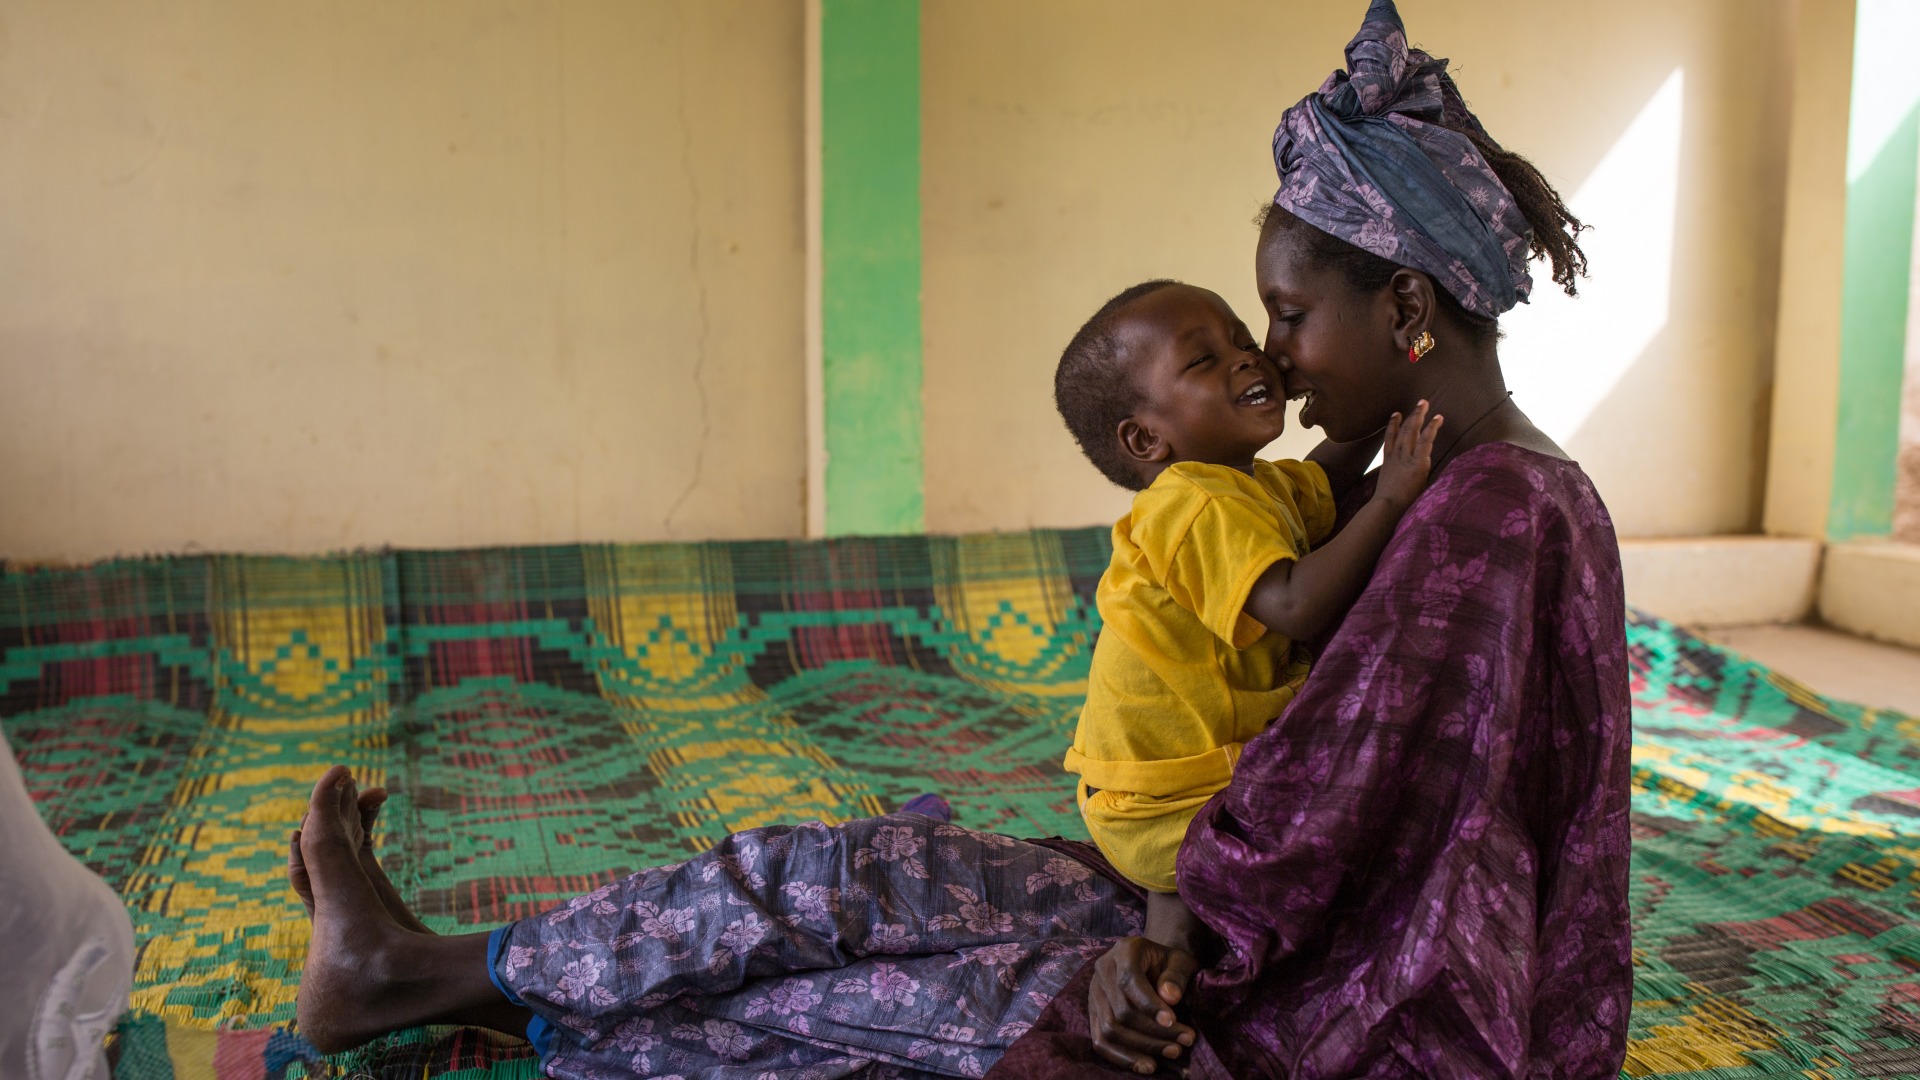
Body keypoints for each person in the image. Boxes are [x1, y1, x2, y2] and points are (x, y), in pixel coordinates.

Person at [991, 1, 1631, 1076]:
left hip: (1345, 963)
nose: (1277, 362)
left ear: (1407, 310)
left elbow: (1321, 830)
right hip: (1246, 872)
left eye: (1286, 317)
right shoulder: (1486, 480)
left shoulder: (1479, 513)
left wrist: (1156, 950)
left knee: (841, 925)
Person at [1053, 278, 1443, 904]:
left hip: (1184, 786)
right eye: (1205, 359)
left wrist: (1383, 387)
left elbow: (1326, 474)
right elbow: (1296, 606)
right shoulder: (1192, 502)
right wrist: (1393, 495)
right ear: (1145, 439)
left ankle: (1173, 920)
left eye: (1241, 338)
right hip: (1164, 806)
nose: (1247, 357)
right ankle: (1175, 911)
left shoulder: (1247, 485)